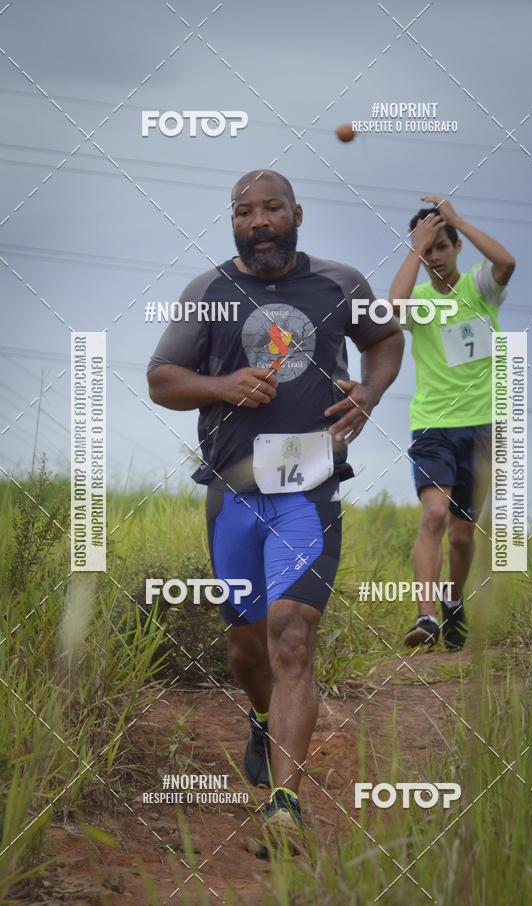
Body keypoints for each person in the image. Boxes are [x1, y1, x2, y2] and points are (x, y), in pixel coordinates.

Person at [147, 169, 403, 852]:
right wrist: (219, 383)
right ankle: (261, 718)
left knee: (292, 639)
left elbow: (386, 339)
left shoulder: (339, 283)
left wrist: (369, 395)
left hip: (309, 490)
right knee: (247, 645)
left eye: (270, 209)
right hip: (233, 494)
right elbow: (161, 379)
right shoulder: (208, 293)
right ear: (234, 222)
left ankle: (284, 806)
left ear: (297, 212)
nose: (258, 221)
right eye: (243, 212)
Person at [388, 196, 515, 650]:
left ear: (458, 246)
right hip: (433, 427)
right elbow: (392, 310)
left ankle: (453, 604)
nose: (435, 257)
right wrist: (414, 246)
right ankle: (426, 618)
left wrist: (456, 217)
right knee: (435, 515)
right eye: (427, 251)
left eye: (441, 246)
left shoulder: (481, 288)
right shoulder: (419, 301)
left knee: (463, 535)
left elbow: (507, 261)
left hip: (483, 428)